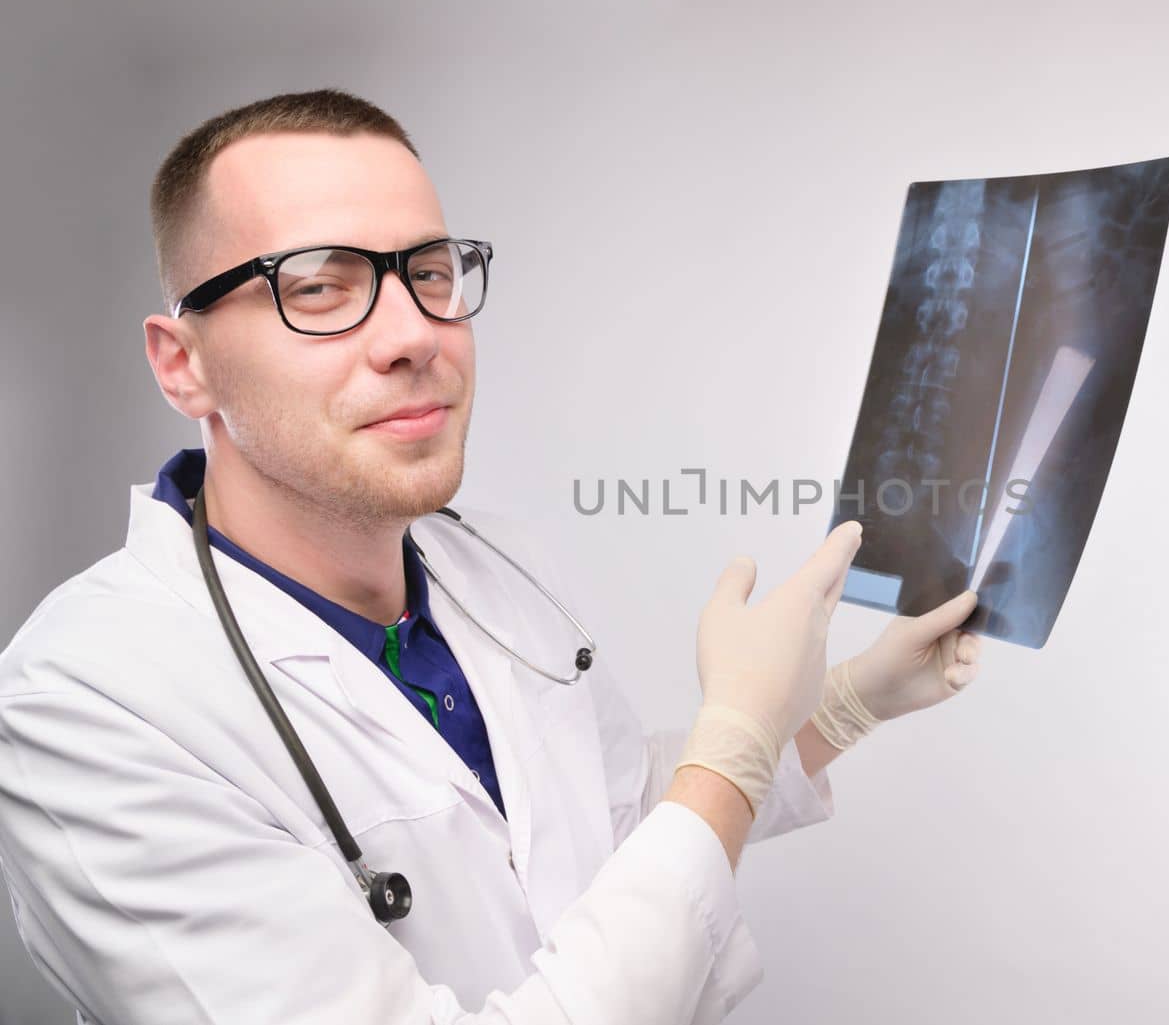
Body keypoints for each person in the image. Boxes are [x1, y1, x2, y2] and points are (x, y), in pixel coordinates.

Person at [0, 89, 983, 1025]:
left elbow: (607, 823)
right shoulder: (88, 703)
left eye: (428, 273)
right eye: (318, 287)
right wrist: (727, 751)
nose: (412, 333)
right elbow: (693, 812)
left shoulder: (492, 568)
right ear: (184, 363)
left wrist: (842, 707)